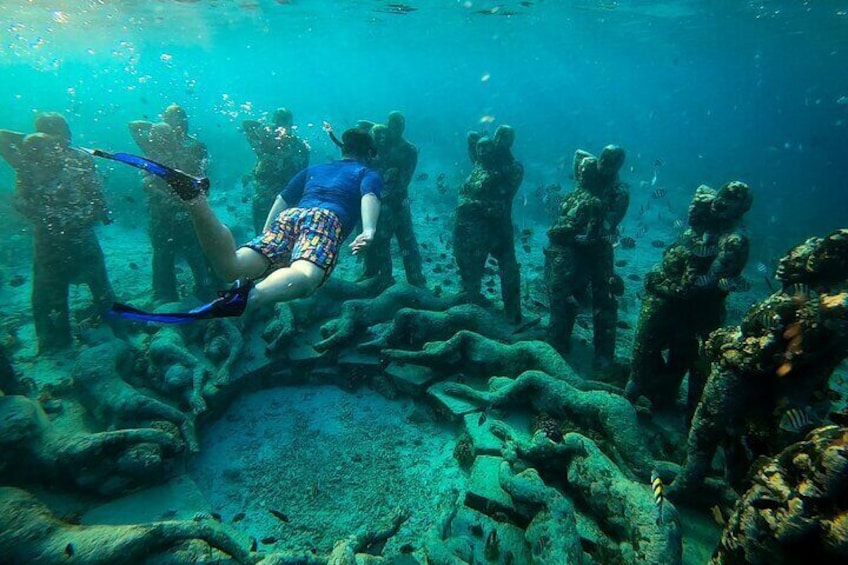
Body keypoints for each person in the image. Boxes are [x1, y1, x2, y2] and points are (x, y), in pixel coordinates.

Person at [94, 128, 382, 319]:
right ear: (369, 153)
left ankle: (196, 201)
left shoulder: (315, 169)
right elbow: (369, 196)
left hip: (290, 217)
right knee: (306, 278)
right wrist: (369, 230)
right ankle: (250, 297)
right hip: (326, 219)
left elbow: (281, 199)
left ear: (343, 148)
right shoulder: (366, 171)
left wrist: (268, 234)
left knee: (231, 265)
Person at [625, 181, 752, 417]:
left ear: (740, 209)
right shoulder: (706, 218)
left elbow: (702, 285)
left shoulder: (732, 241)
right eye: (721, 197)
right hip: (672, 301)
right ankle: (648, 393)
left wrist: (659, 283)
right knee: (650, 348)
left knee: (689, 359)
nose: (720, 204)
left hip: (698, 309)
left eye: (728, 202)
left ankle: (684, 413)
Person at [0, 113, 114, 352]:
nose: (67, 136)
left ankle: (113, 325)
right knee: (51, 288)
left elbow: (95, 192)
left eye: (65, 130)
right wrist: (47, 217)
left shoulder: (80, 159)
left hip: (80, 232)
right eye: (60, 131)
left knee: (98, 282)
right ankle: (54, 342)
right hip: (48, 238)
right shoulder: (30, 164)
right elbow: (21, 200)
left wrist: (96, 212)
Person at [544, 145, 629, 367]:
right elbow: (579, 153)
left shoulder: (618, 192)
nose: (605, 165)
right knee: (562, 291)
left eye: (612, 163)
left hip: (598, 247)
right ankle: (558, 342)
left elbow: (609, 223)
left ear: (618, 166)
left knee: (604, 298)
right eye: (604, 159)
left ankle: (603, 355)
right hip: (569, 244)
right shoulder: (587, 171)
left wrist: (590, 234)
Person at [129, 111, 215, 303]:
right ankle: (165, 296)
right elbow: (133, 126)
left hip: (185, 213)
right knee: (163, 253)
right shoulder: (152, 151)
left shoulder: (192, 148)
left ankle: (205, 289)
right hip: (162, 214)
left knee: (193, 250)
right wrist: (159, 126)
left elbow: (201, 180)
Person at [453, 124, 523, 324]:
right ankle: (471, 306)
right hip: (473, 228)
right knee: (471, 266)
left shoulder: (511, 167)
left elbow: (503, 198)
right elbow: (472, 139)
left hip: (497, 227)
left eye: (505, 136)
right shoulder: (482, 162)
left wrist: (471, 205)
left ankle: (513, 314)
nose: (500, 139)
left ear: (511, 141)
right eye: (498, 135)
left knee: (507, 268)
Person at [358, 111, 426, 288]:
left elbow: (404, 180)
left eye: (399, 124)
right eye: (392, 124)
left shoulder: (408, 149)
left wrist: (384, 197)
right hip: (379, 199)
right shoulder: (380, 141)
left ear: (403, 127)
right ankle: (379, 277)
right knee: (379, 240)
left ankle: (415, 279)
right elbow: (362, 126)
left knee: (406, 240)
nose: (395, 128)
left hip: (396, 202)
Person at [242, 107, 309, 233]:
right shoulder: (267, 143)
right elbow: (247, 124)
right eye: (277, 123)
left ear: (290, 125)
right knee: (263, 234)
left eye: (283, 123)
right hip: (266, 196)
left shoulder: (298, 146)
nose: (280, 127)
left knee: (283, 234)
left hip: (286, 197)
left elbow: (303, 172)